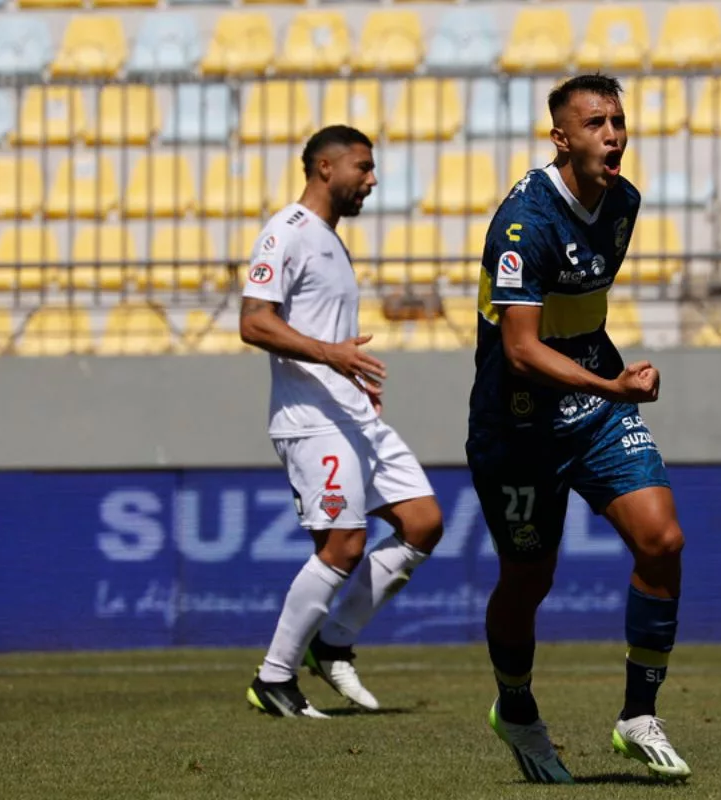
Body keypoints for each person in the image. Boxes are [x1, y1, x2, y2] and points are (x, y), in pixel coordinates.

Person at [466, 74, 691, 783]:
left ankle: (638, 716)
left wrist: (608, 390)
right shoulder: (523, 223)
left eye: (618, 121)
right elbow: (520, 350)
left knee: (662, 540)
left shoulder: (624, 203)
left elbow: (581, 316)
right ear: (560, 139)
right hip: (518, 424)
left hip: (595, 410)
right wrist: (614, 384)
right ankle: (515, 708)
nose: (613, 135)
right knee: (528, 580)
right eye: (596, 124)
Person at [240, 125, 444, 718]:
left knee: (423, 522)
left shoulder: (330, 239)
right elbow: (254, 322)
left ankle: (332, 643)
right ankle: (274, 677)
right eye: (363, 166)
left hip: (351, 412)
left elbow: (325, 333)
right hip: (311, 418)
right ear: (325, 168)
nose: (372, 180)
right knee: (343, 545)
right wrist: (331, 355)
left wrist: (352, 375)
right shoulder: (286, 232)